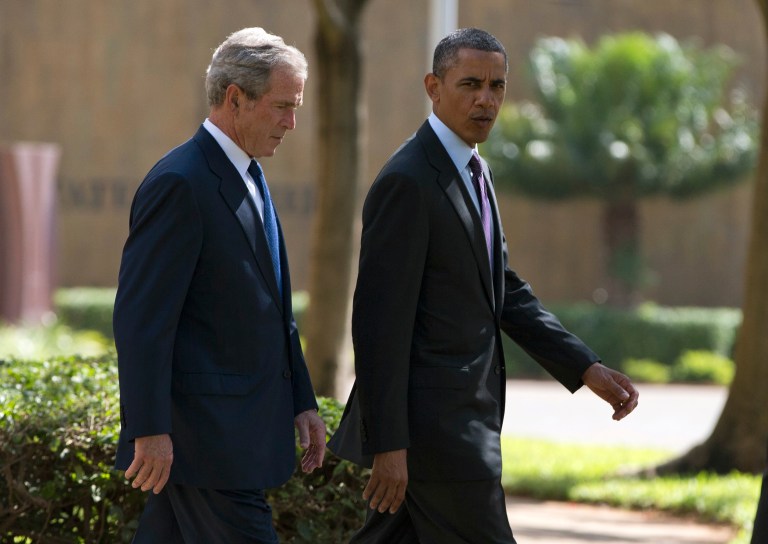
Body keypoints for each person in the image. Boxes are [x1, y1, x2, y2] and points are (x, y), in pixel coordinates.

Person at [328, 27, 639, 544]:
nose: (486, 99)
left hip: (463, 423)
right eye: (470, 84)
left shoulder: (475, 170)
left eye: (497, 86)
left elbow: (504, 291)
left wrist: (585, 367)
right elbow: (379, 325)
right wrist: (389, 444)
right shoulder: (408, 181)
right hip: (439, 436)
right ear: (433, 86)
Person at [113, 27, 325, 543]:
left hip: (228, 440)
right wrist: (149, 429)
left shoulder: (250, 173)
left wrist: (302, 398)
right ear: (235, 98)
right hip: (205, 444)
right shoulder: (179, 183)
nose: (291, 122)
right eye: (282, 106)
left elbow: (274, 308)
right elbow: (142, 321)